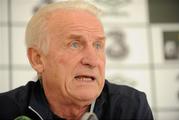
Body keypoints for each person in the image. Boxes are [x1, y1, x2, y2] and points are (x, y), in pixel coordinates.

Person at [0, 0, 154, 120]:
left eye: (98, 45)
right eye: (74, 44)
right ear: (38, 59)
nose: (92, 61)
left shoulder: (130, 106)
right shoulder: (5, 109)